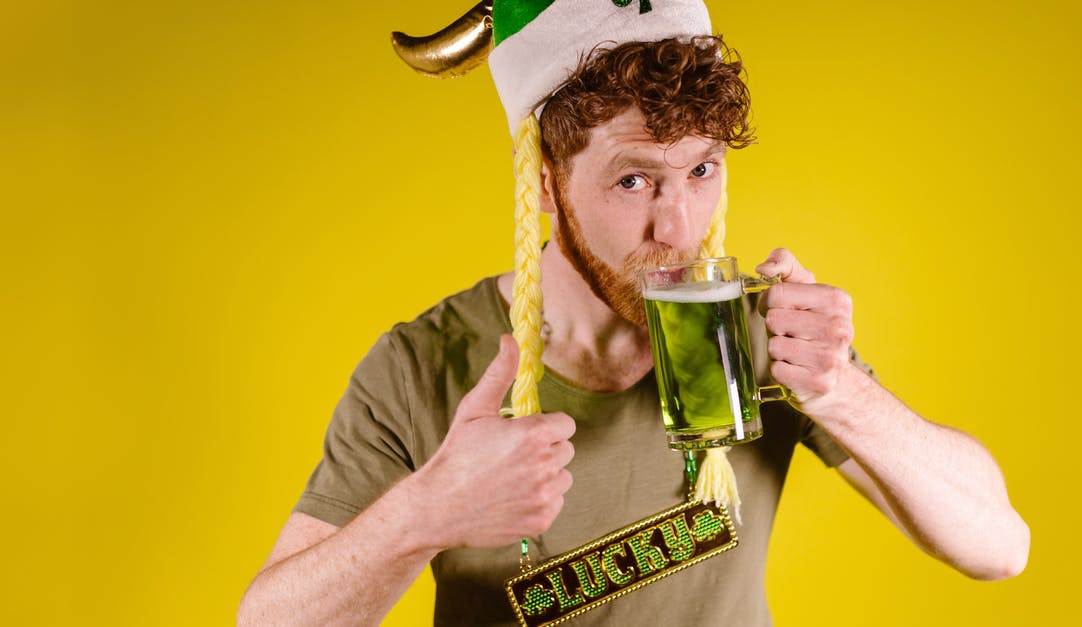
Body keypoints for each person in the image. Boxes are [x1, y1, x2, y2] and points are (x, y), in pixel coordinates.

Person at [238, 1, 1029, 624]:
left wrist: (839, 391)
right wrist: (424, 513)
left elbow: (1000, 544)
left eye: (702, 169)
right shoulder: (424, 367)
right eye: (634, 180)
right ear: (545, 184)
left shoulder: (750, 332)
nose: (678, 228)